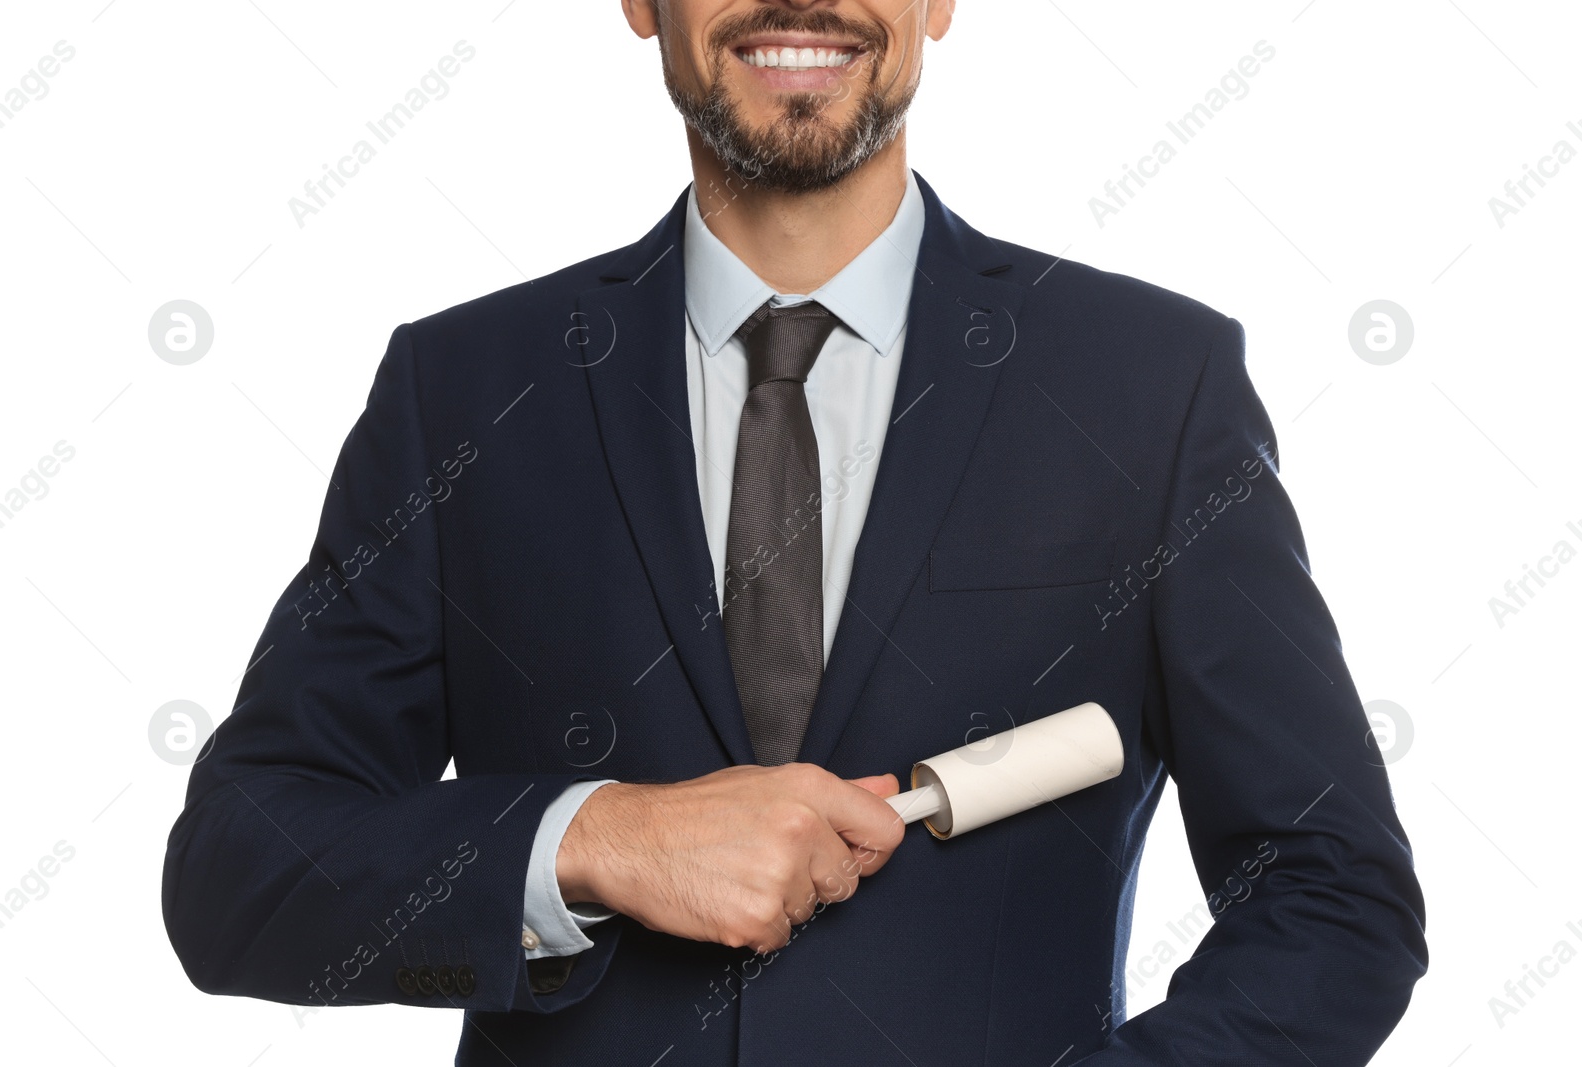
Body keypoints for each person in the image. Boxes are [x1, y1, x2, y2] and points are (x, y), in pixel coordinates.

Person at [162, 2, 1427, 1064]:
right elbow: (236, 868)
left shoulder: (1147, 386)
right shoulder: (468, 387)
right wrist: (601, 838)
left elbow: (1333, 891)